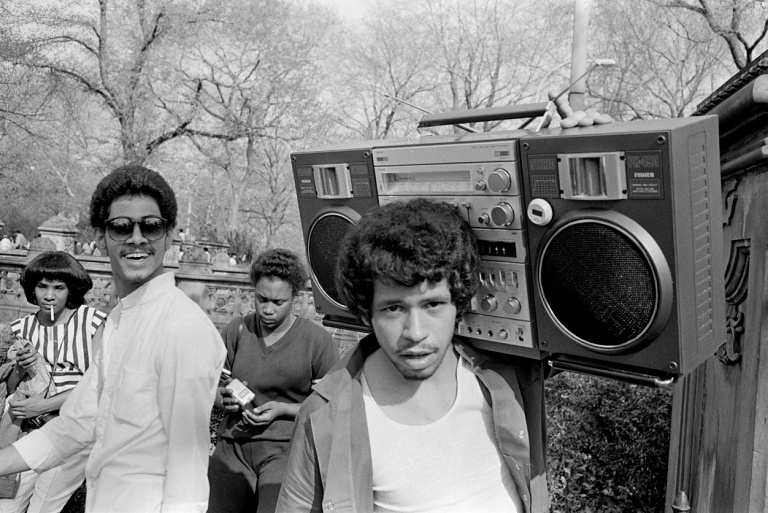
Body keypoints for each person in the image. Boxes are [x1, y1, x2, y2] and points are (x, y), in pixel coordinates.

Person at [276, 198, 549, 513]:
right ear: (367, 314)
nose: (415, 332)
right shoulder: (325, 416)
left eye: (432, 305)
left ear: (458, 304)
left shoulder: (511, 376)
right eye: (394, 308)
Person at [0, 164, 227, 513]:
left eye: (150, 227)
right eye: (121, 227)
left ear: (169, 236)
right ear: (100, 237)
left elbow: (188, 473)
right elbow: (78, 425)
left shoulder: (183, 327)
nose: (137, 238)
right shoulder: (119, 321)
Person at [208, 248, 339, 513]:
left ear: (295, 298)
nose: (268, 309)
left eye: (278, 302)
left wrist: (283, 410)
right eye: (261, 299)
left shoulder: (317, 342)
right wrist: (223, 400)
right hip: (233, 448)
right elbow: (210, 388)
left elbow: (334, 407)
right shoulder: (237, 331)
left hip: (286, 452)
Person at [0, 251, 106, 513]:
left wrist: (44, 405)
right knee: (7, 507)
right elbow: (11, 387)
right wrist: (19, 369)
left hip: (72, 426)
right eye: (42, 286)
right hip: (24, 427)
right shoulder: (21, 327)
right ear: (32, 290)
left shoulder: (91, 321)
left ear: (71, 290)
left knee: (43, 506)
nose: (49, 295)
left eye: (59, 287)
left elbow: (99, 383)